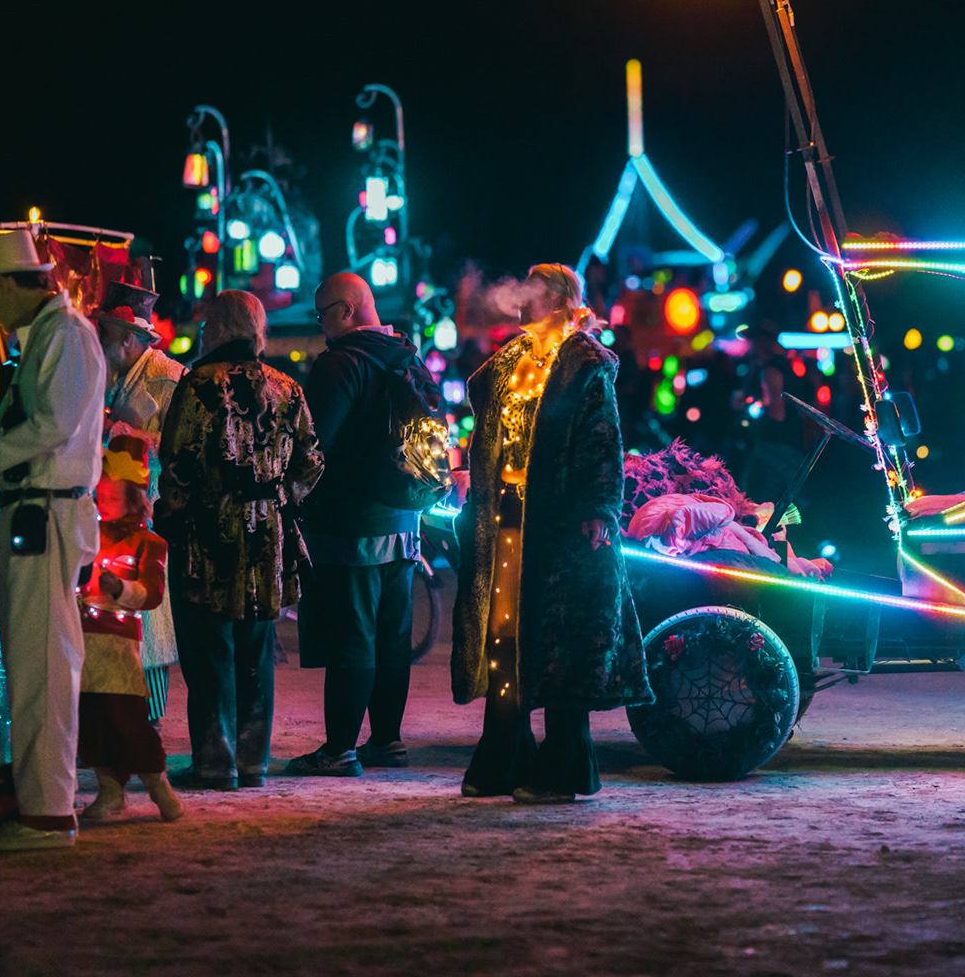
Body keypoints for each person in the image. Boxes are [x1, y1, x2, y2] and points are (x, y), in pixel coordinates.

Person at [454, 264, 652, 803]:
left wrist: (598, 509)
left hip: (561, 526)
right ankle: (506, 753)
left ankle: (565, 765)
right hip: (507, 519)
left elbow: (603, 442)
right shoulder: (511, 362)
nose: (523, 298)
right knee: (505, 638)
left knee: (563, 645)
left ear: (562, 302)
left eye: (537, 290)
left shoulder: (584, 365)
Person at [0, 230, 104, 851]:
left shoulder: (64, 335)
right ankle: (42, 804)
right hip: (36, 516)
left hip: (44, 516)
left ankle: (46, 815)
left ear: (10, 281)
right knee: (36, 664)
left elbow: (53, 424)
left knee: (41, 666)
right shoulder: (52, 335)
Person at [157, 290, 323, 790]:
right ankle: (254, 761)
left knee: (208, 646)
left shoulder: (198, 385)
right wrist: (279, 499)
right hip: (268, 532)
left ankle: (216, 761)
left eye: (207, 323)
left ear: (218, 327)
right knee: (256, 647)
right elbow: (312, 462)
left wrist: (173, 514)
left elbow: (178, 464)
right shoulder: (287, 387)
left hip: (209, 531)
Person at [286, 273, 440, 778]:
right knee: (392, 637)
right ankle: (387, 741)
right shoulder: (408, 358)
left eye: (321, 313)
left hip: (351, 527)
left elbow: (314, 444)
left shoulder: (340, 363)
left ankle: (338, 750)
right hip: (405, 520)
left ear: (346, 310)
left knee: (351, 637)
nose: (319, 324)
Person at [91, 282, 184, 723]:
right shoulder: (106, 374)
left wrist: (125, 434)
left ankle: (149, 717)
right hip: (109, 512)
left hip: (150, 510)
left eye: (105, 333)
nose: (99, 341)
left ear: (128, 338)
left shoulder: (170, 379)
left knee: (149, 617)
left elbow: (183, 447)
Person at [77, 436, 181, 823]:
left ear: (134, 498)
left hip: (119, 651)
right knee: (91, 721)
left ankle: (158, 786)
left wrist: (120, 589)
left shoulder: (148, 543)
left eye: (113, 497)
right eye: (100, 495)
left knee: (129, 720)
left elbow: (152, 594)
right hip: (83, 644)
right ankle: (109, 790)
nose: (103, 503)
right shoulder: (87, 535)